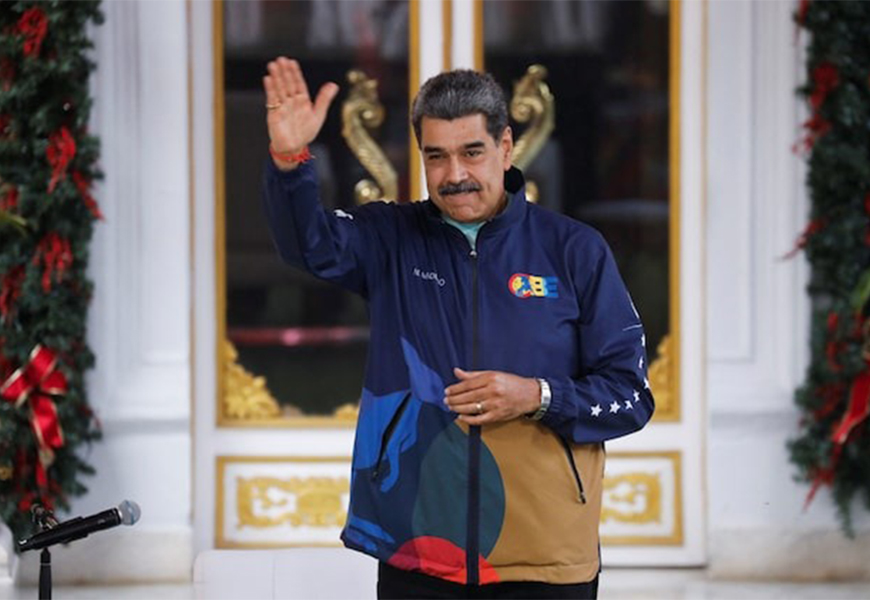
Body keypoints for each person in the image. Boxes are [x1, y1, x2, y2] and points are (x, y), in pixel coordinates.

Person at [261, 56, 654, 600]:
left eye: (472, 152)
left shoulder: (574, 250)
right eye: (436, 156)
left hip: (546, 558)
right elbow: (309, 245)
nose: (455, 175)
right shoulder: (391, 237)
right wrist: (289, 161)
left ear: (506, 146)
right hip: (417, 549)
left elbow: (631, 395)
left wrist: (536, 396)